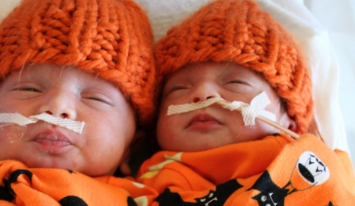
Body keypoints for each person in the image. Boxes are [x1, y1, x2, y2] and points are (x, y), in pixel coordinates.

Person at [0, 0, 158, 205]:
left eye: (94, 98)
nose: (56, 107)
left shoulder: (143, 198)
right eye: (28, 89)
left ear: (131, 148)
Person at [135, 0, 355, 205]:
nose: (203, 93)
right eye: (178, 89)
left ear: (290, 123)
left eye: (235, 83)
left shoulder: (313, 165)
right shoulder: (144, 183)